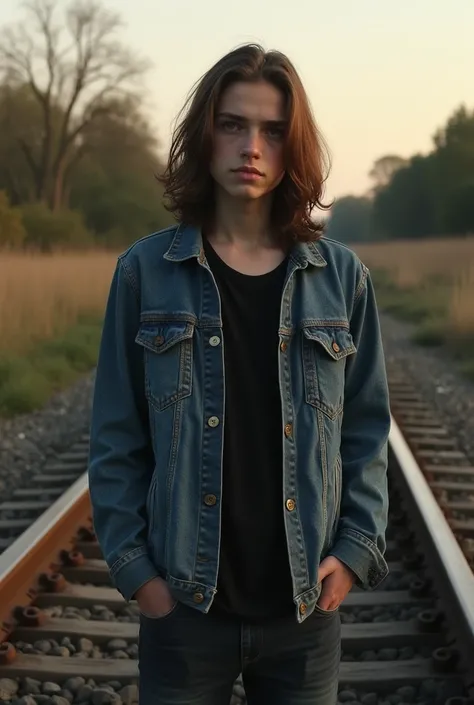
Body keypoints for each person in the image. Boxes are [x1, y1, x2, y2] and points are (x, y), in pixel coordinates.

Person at [88, 43, 391, 705]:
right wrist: (142, 577)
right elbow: (115, 438)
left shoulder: (341, 280)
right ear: (206, 134)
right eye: (232, 124)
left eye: (272, 130)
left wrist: (355, 551)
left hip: (304, 611)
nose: (251, 145)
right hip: (186, 607)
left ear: (294, 145)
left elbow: (367, 433)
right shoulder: (145, 273)